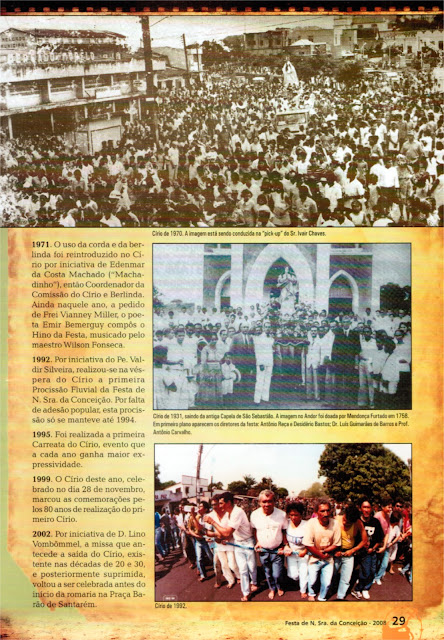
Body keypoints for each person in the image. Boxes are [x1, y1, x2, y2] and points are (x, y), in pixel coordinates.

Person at [205, 492, 258, 602]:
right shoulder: (228, 513)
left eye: (221, 503)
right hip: (238, 543)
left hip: (247, 542)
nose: (219, 506)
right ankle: (246, 593)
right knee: (243, 570)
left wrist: (213, 522)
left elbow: (226, 532)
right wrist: (226, 539)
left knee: (252, 567)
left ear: (228, 503)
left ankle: (255, 582)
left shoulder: (237, 512)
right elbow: (227, 533)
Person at [251, 490, 288, 600]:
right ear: (259, 502)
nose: (267, 504)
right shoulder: (254, 515)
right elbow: (254, 530)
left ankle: (279, 586)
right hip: (263, 550)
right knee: (267, 571)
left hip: (277, 550)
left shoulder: (282, 514)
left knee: (277, 573)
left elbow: (284, 530)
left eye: (270, 501)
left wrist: (285, 545)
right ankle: (272, 588)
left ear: (275, 501)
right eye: (264, 501)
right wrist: (257, 542)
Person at [303, 500, 341, 601]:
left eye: (328, 511)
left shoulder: (335, 523)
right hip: (314, 557)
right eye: (322, 511)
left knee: (327, 582)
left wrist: (325, 552)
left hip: (328, 558)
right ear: (316, 512)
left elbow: (337, 543)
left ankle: (322, 597)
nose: (326, 514)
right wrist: (320, 554)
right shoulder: (311, 523)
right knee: (312, 580)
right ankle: (311, 593)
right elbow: (307, 544)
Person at [351, 498, 384, 600]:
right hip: (359, 551)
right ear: (360, 508)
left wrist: (373, 548)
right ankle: (357, 589)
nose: (366, 509)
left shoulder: (375, 522)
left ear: (371, 509)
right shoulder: (357, 521)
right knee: (365, 572)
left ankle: (365, 588)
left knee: (372, 571)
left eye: (368, 507)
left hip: (371, 551)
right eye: (364, 507)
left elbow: (380, 538)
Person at [334, 504, 368, 600]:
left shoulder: (358, 523)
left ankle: (340, 597)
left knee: (346, 578)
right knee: (332, 574)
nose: (345, 523)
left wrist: (352, 550)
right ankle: (330, 589)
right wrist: (335, 550)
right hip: (336, 552)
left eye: (348, 523)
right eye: (344, 520)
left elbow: (364, 541)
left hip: (349, 554)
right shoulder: (336, 519)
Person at [282, 502, 309, 598]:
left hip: (303, 554)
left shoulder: (306, 525)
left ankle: (303, 590)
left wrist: (305, 550)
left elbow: (311, 540)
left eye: (296, 515)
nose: (293, 517)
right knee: (294, 576)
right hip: (291, 554)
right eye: (291, 515)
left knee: (304, 573)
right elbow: (283, 535)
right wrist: (286, 546)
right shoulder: (287, 523)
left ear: (301, 515)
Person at [252, 322, 275, 405]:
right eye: (266, 327)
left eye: (269, 327)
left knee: (267, 380)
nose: (268, 328)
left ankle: (265, 398)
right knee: (260, 380)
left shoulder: (272, 338)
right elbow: (257, 352)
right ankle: (257, 400)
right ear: (263, 328)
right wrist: (260, 363)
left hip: (269, 362)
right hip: (262, 362)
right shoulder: (259, 338)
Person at [199, 332, 223, 407]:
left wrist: (221, 372)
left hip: (217, 371)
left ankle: (218, 406)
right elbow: (204, 362)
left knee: (218, 388)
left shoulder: (218, 348)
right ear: (209, 340)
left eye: (215, 339)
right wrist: (207, 374)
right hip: (209, 371)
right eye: (212, 339)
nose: (214, 341)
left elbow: (220, 361)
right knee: (209, 389)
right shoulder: (205, 349)